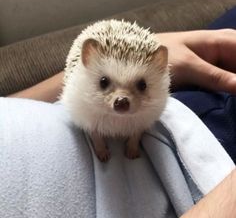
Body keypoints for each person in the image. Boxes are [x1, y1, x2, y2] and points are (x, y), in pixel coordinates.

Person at [4, 29, 236, 217]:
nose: (122, 99)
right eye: (105, 83)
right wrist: (101, 147)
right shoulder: (85, 101)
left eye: (140, 86)